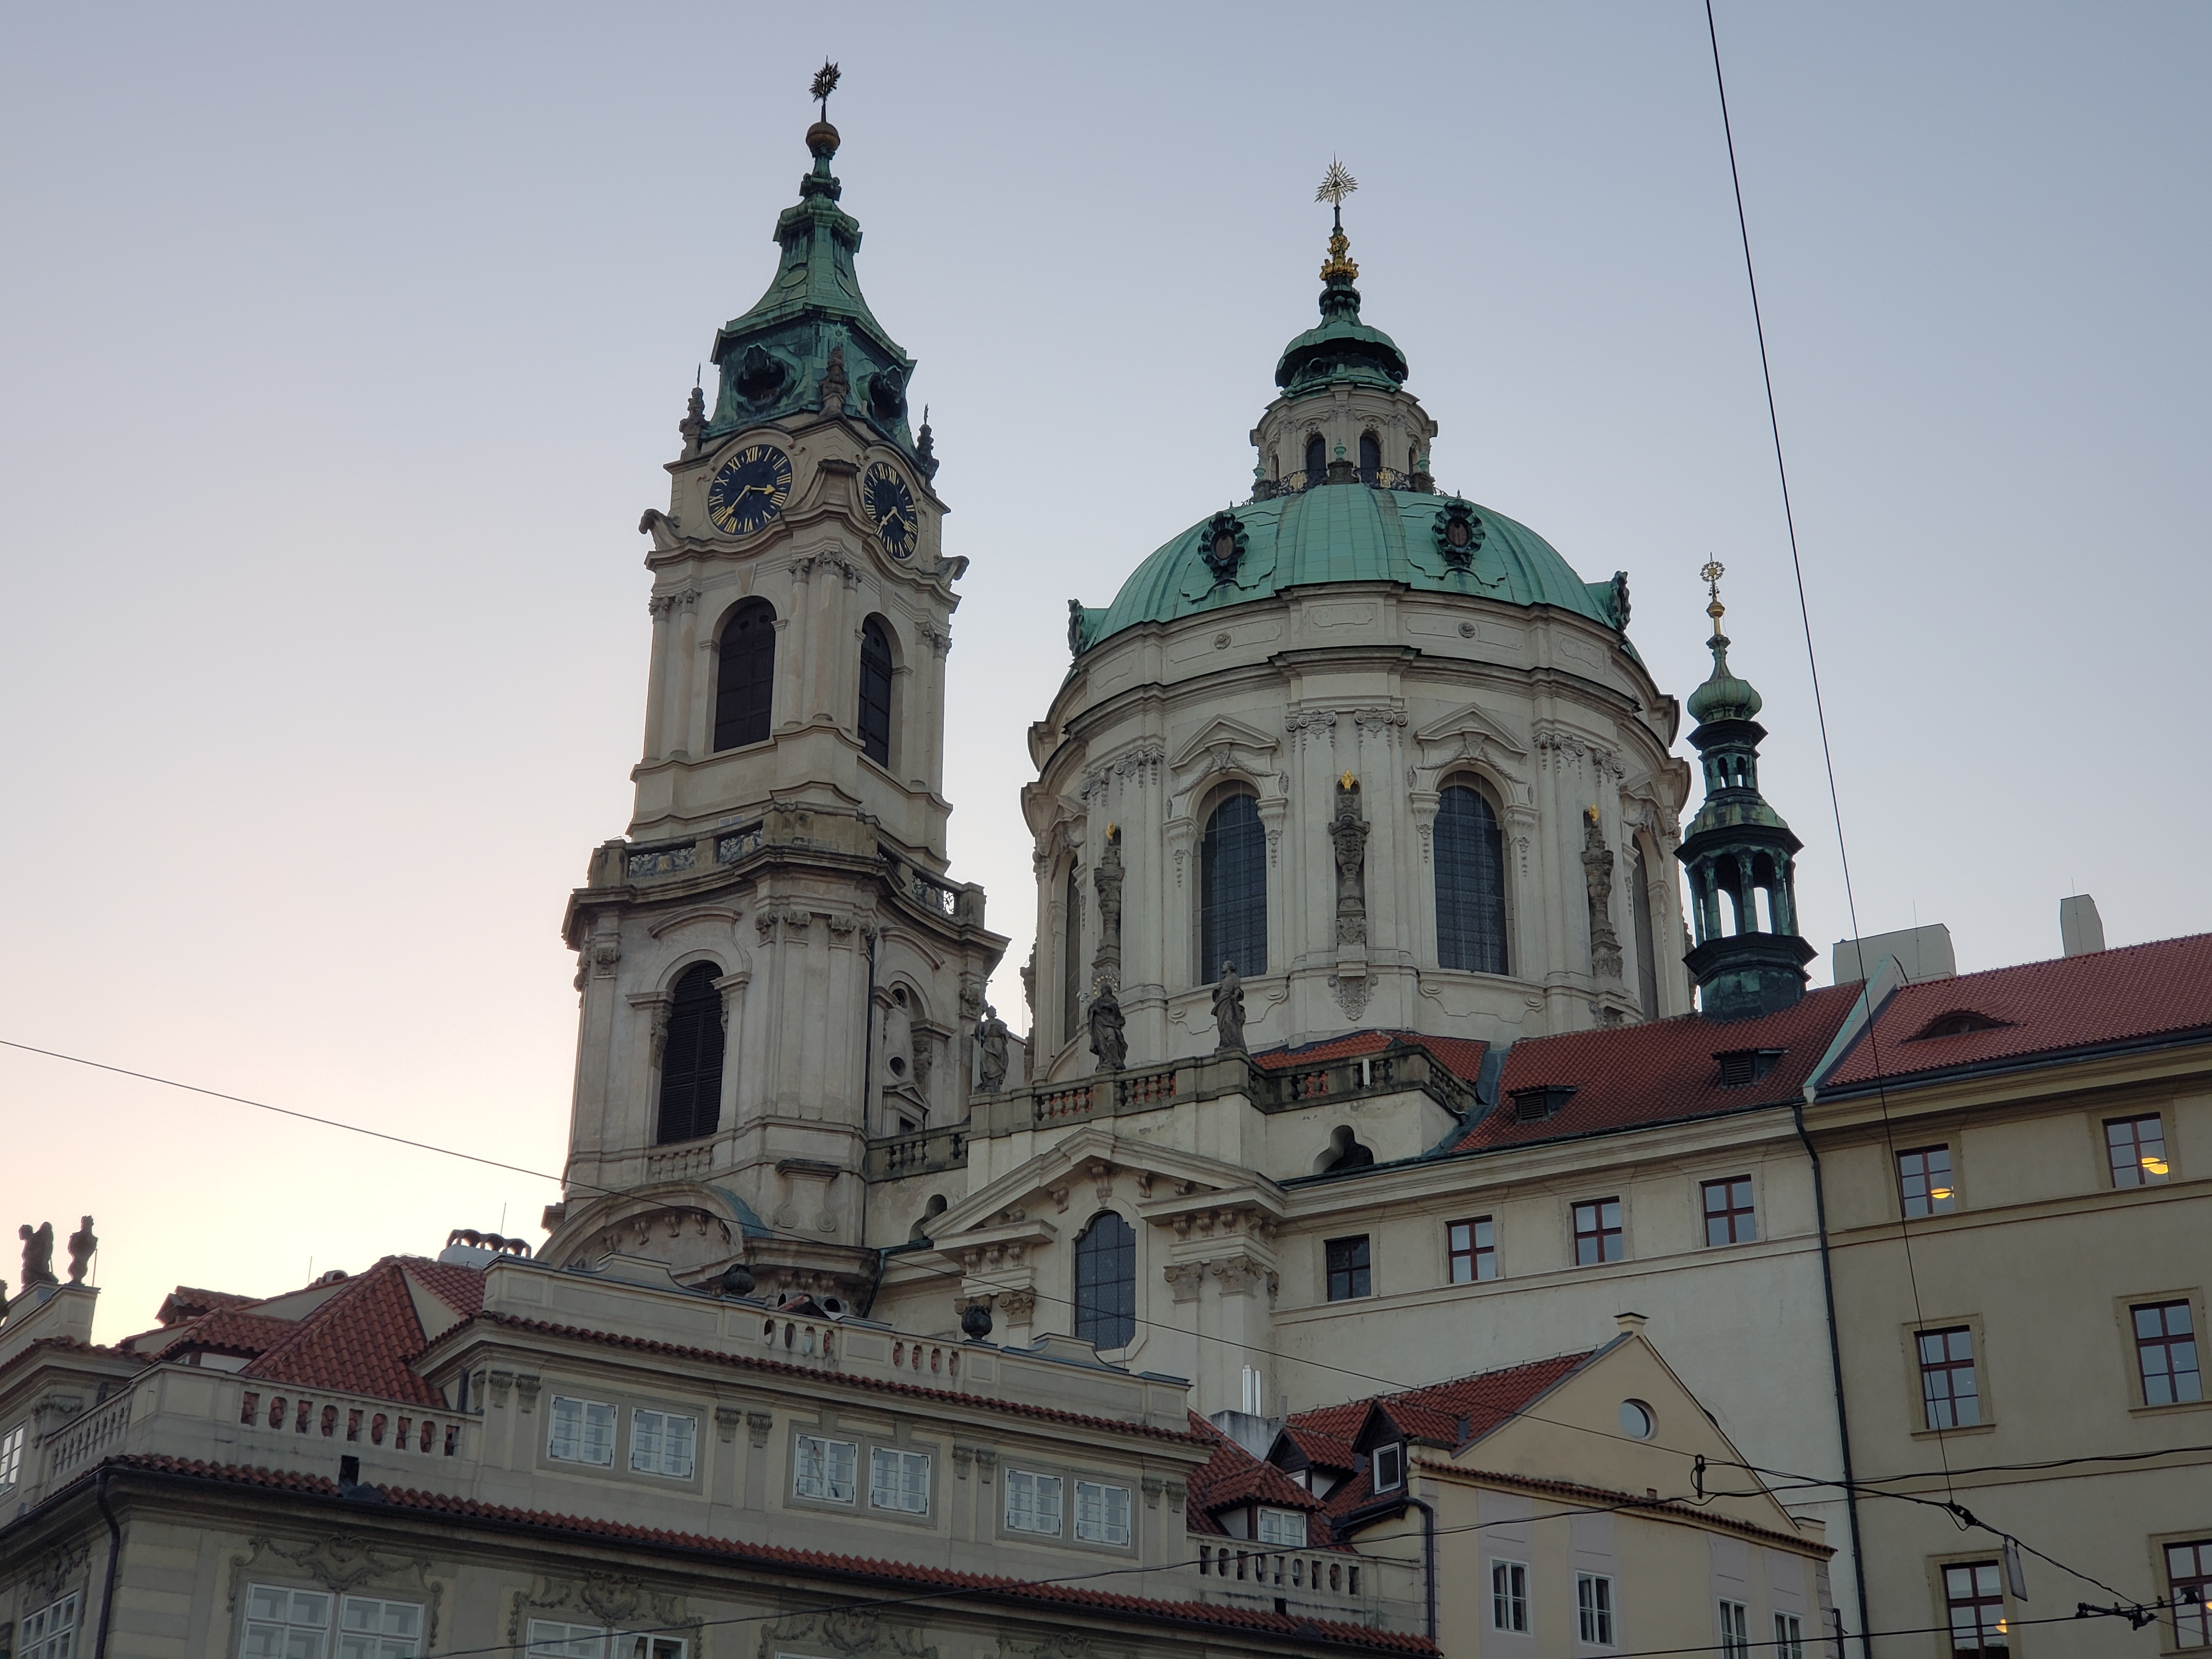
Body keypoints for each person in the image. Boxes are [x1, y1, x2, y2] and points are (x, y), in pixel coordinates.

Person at [1087, 981, 1127, 1072]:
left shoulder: (1113, 1001)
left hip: (1111, 1024)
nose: (1104, 992)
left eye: (1106, 990)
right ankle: (1106, 1061)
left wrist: (1105, 1006)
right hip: (1099, 1025)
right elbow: (1091, 1011)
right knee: (1102, 1044)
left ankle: (1116, 1059)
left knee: (1112, 1040)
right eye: (1103, 990)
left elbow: (1116, 1011)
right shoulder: (1097, 1001)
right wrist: (1094, 1010)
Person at [977, 1005, 1012, 1092]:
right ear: (988, 1013)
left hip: (998, 1044)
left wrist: (1003, 1032)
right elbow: (979, 1035)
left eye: (994, 1011)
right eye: (991, 1011)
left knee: (998, 1064)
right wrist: (980, 1033)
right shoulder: (984, 1024)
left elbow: (1008, 1035)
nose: (993, 1013)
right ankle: (987, 1082)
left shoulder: (1000, 1023)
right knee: (984, 1061)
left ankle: (994, 1083)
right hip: (988, 1044)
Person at [1212, 962, 1246, 1052]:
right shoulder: (1223, 980)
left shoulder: (1234, 977)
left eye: (1224, 965)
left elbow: (1237, 989)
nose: (1222, 966)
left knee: (1229, 1020)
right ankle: (1225, 1042)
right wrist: (1215, 991)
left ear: (1229, 967)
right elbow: (1217, 994)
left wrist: (1235, 996)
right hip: (1221, 1002)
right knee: (1221, 1024)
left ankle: (1232, 1042)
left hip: (1229, 1001)